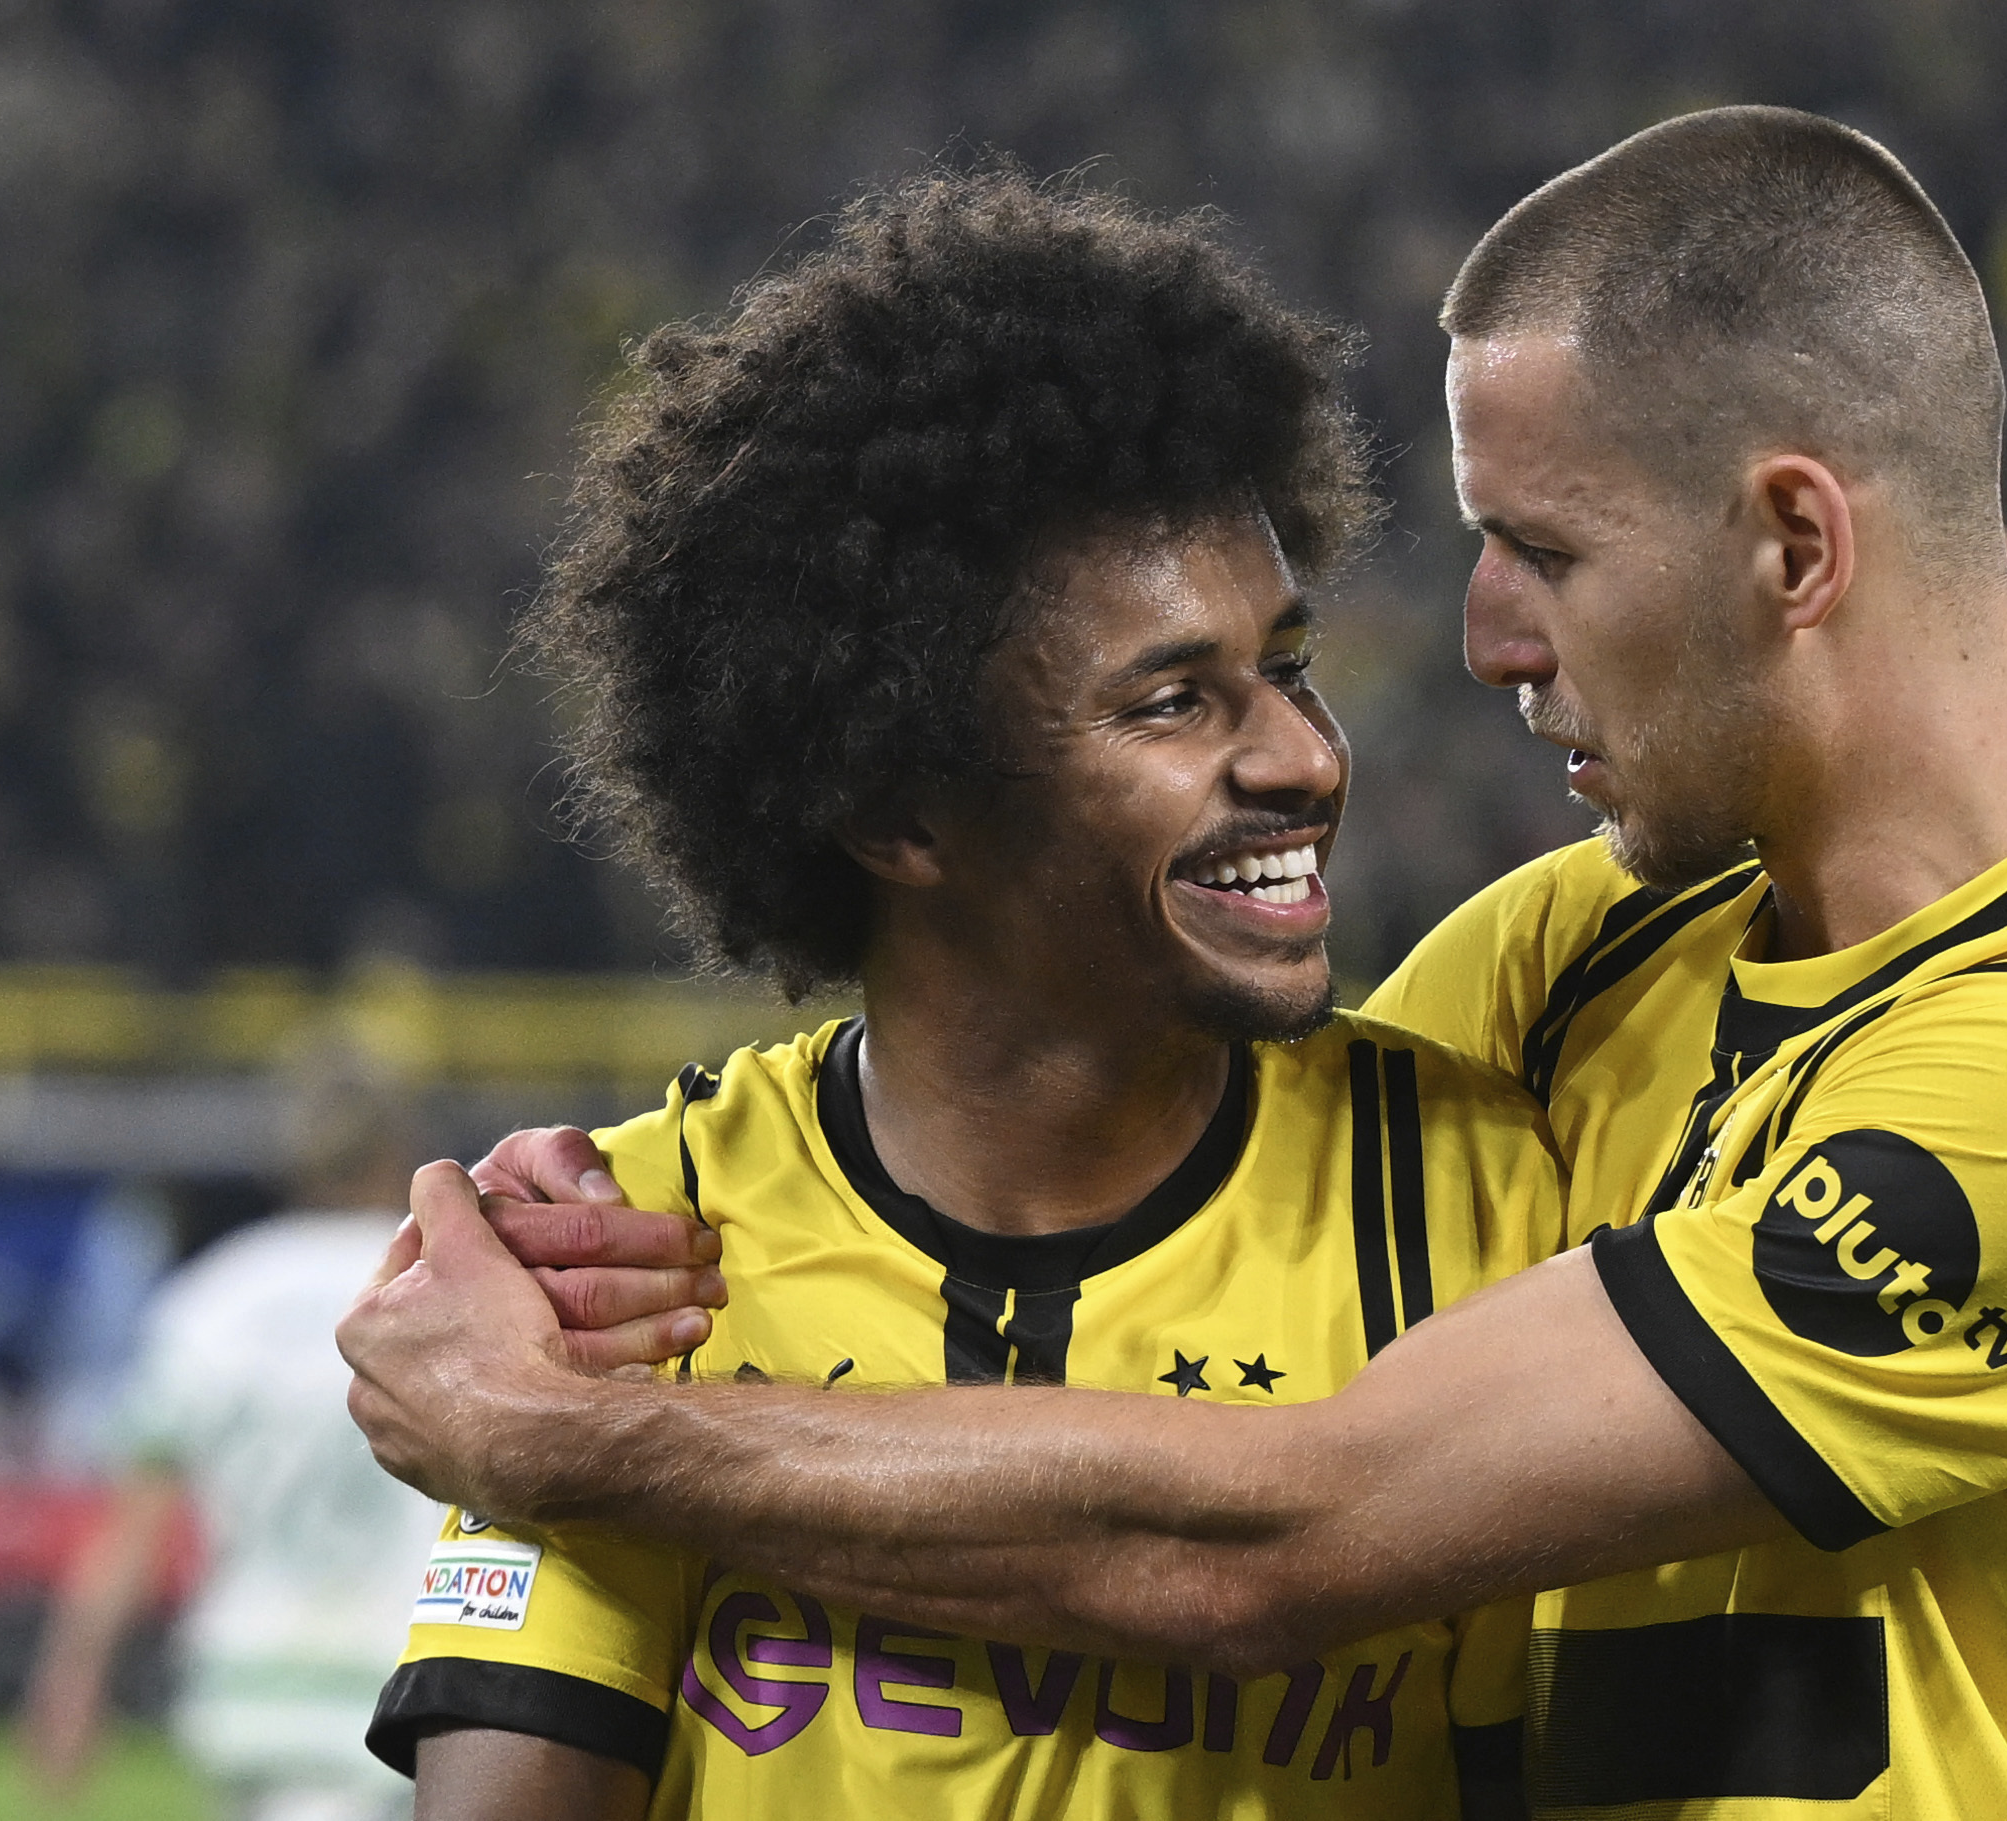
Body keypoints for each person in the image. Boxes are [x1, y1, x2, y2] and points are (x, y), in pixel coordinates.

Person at [347, 110, 2007, 1818]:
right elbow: (1201, 1186)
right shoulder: (1562, 971)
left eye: (1547, 549)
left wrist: (568, 1436)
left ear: (1792, 544)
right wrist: (603, 1223)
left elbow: (1297, 1524)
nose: (1485, 640)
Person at [356, 169, 1565, 1821]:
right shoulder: (641, 1250)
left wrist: (555, 1434)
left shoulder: (1484, 1210)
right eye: (1171, 702)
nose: (1299, 756)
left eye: (1282, 666)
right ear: (899, 812)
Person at [25, 1039, 441, 1821]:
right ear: (402, 1148)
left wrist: (73, 1676)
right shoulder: (440, 1291)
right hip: (402, 1683)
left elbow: (133, 1530)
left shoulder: (211, 1301)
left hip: (247, 1689)